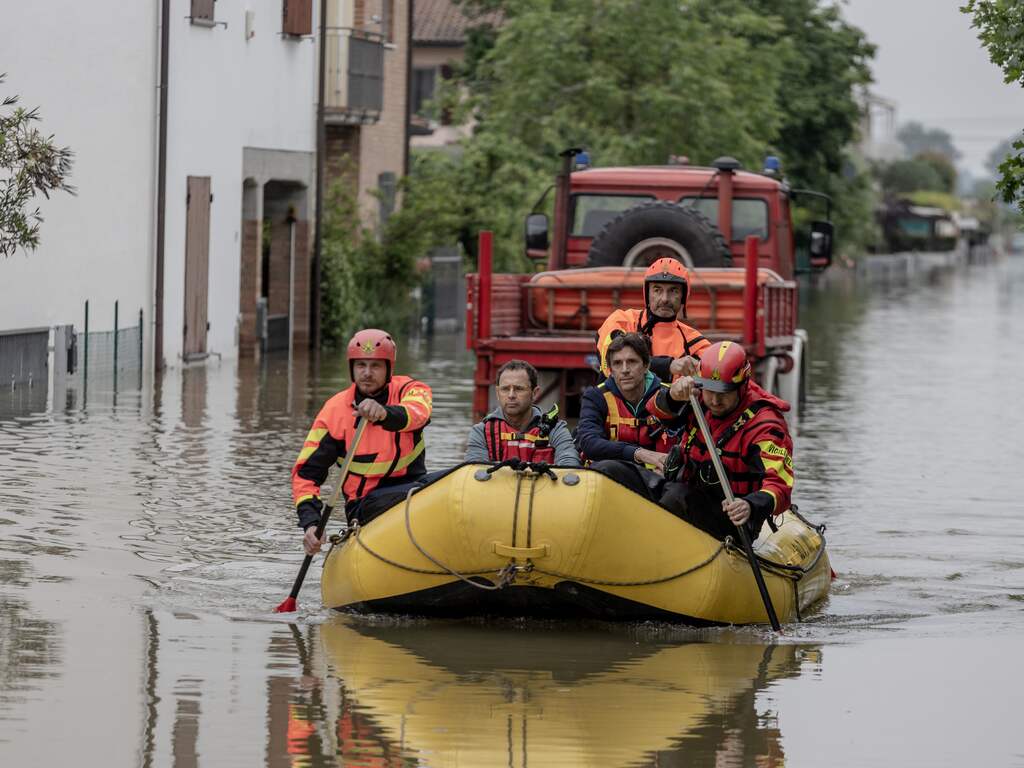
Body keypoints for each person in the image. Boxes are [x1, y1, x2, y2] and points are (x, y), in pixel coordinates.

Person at [292, 329, 433, 554]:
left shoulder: (410, 389)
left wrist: (385, 414)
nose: (367, 373)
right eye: (361, 365)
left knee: (444, 481)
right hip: (365, 503)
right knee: (419, 497)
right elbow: (305, 475)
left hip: (415, 488)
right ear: (352, 368)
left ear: (389, 369)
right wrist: (311, 523)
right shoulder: (334, 412)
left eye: (375, 366)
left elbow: (418, 413)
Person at [649, 340, 794, 541]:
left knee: (677, 496)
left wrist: (750, 505)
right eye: (710, 391)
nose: (715, 401)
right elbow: (654, 413)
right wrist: (672, 397)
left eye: (724, 393)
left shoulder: (765, 425)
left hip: (729, 520)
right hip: (681, 494)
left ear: (742, 386)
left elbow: (780, 486)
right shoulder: (696, 396)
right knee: (616, 470)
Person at [576, 333, 686, 484]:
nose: (625, 370)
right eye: (617, 363)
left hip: (662, 481)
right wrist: (639, 453)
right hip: (610, 479)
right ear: (610, 370)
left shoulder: (669, 396)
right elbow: (589, 443)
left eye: (632, 361)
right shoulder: (596, 396)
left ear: (646, 365)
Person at [596, 257, 711, 382]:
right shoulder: (621, 321)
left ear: (683, 296)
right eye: (657, 290)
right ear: (647, 293)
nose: (665, 299)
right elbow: (612, 364)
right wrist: (668, 366)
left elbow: (716, 381)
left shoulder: (694, 342)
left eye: (673, 290)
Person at [465, 359, 581, 466]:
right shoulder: (481, 432)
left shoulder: (555, 429)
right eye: (505, 389)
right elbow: (474, 471)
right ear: (497, 393)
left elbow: (570, 465)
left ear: (534, 393)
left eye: (519, 389)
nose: (511, 395)